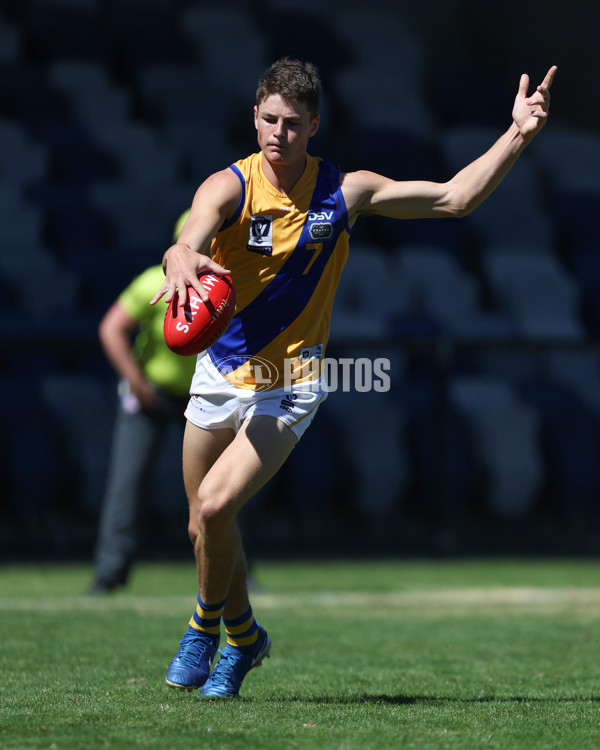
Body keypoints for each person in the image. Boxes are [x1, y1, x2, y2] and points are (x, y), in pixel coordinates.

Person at [150, 58, 557, 697]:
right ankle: (248, 637)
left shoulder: (347, 190)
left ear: (315, 125)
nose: (278, 133)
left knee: (216, 503)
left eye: (293, 123)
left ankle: (206, 631)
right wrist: (178, 255)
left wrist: (518, 135)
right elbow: (190, 233)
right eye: (269, 119)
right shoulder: (230, 186)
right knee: (204, 525)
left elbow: (456, 198)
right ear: (254, 117)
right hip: (221, 370)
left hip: (291, 379)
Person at [87, 211, 195, 594]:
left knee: (222, 486)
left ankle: (238, 573)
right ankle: (109, 573)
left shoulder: (227, 287)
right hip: (152, 394)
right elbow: (111, 329)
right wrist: (137, 383)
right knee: (127, 483)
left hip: (203, 398)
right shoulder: (154, 281)